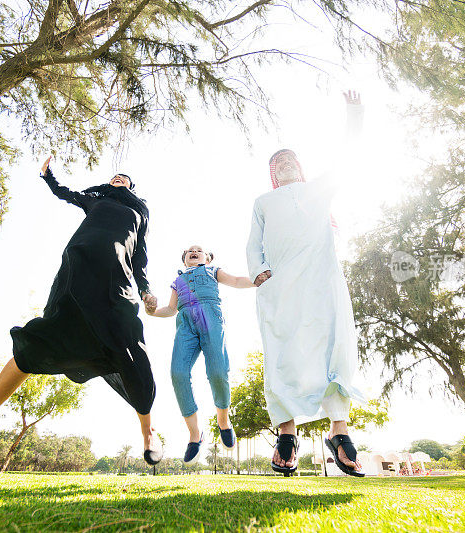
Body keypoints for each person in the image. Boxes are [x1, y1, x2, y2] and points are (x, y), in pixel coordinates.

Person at [0, 156, 163, 468]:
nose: (118, 180)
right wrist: (48, 175)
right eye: (114, 178)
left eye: (123, 179)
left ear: (132, 186)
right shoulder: (96, 199)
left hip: (117, 277)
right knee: (43, 339)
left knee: (131, 349)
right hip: (78, 265)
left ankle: (148, 431)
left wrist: (145, 289)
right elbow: (64, 193)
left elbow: (139, 256)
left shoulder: (140, 211)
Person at [246, 91, 366, 476]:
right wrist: (257, 270)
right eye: (276, 162)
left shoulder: (319, 189)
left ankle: (339, 432)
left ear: (300, 168)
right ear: (271, 173)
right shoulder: (264, 201)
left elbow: (350, 156)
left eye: (289, 159)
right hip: (280, 285)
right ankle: (286, 435)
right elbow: (253, 241)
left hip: (323, 280)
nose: (283, 163)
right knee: (283, 353)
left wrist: (353, 112)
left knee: (335, 347)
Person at [147, 245, 254, 464]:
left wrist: (257, 279)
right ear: (184, 260)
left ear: (208, 258)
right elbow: (170, 309)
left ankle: (223, 421)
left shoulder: (213, 271)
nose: (194, 251)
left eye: (199, 250)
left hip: (211, 320)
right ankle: (195, 433)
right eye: (189, 251)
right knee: (177, 373)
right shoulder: (178, 281)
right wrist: (152, 312)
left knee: (218, 372)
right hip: (186, 325)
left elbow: (234, 281)